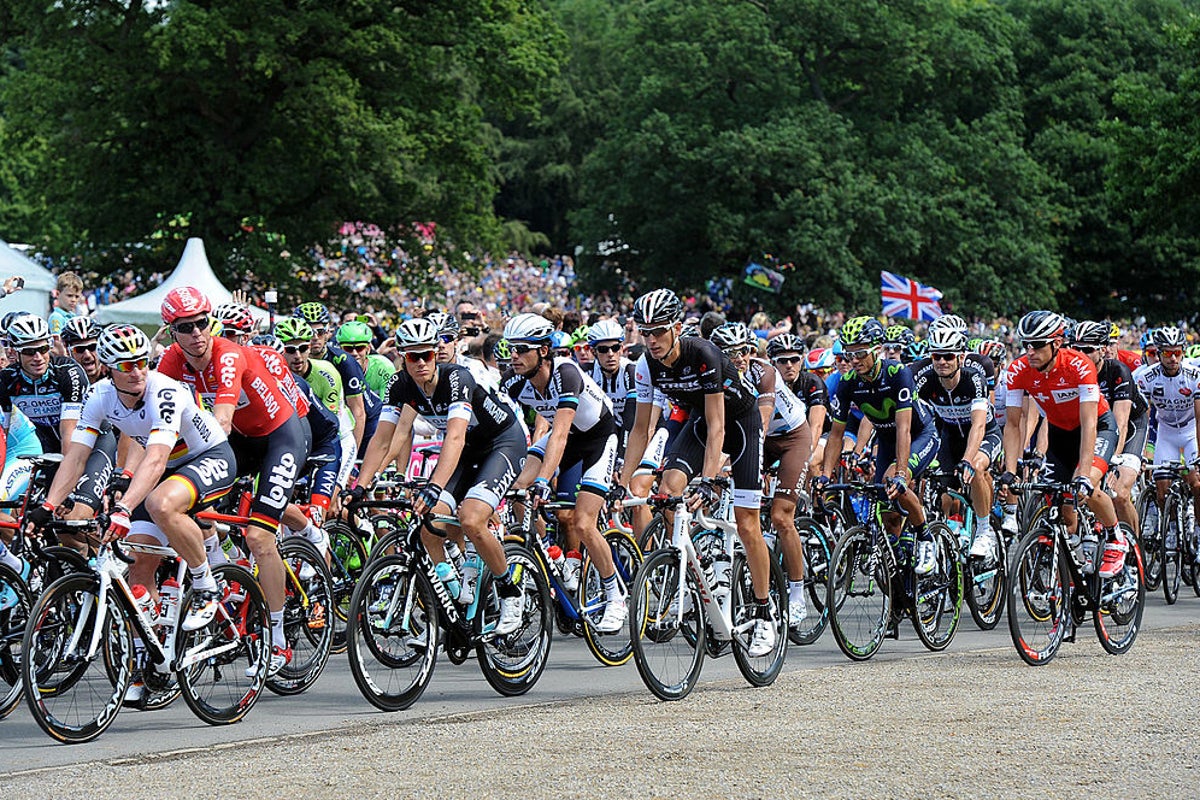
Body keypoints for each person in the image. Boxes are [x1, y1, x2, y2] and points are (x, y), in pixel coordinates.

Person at [29, 325, 239, 699]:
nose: (138, 370)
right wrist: (47, 506)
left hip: (209, 456)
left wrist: (124, 507)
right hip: (167, 469)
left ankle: (207, 587)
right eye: (127, 364)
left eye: (142, 361)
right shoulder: (100, 396)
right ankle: (152, 661)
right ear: (110, 368)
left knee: (160, 504)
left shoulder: (165, 391)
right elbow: (76, 456)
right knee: (140, 561)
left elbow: (156, 458)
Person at [157, 287, 307, 675]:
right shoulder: (173, 360)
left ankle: (278, 641)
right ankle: (223, 569)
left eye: (201, 323)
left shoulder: (227, 354)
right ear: (171, 331)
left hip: (281, 437)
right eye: (185, 327)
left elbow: (220, 423)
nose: (196, 334)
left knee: (259, 537)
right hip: (241, 440)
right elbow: (159, 415)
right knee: (192, 504)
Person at [618, 289, 777, 657]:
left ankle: (764, 610)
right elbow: (641, 429)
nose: (651, 340)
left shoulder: (703, 354)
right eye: (645, 332)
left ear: (676, 327)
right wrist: (622, 483)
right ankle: (693, 568)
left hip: (740, 424)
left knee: (747, 520)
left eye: (658, 331)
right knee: (668, 489)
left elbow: (719, 427)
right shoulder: (646, 365)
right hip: (699, 424)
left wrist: (708, 481)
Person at [352, 317, 529, 635]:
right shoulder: (400, 385)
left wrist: (433, 486)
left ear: (436, 353)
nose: (420, 363)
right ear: (402, 357)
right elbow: (383, 439)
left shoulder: (457, 377)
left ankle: (509, 591)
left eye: (427, 355)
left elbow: (456, 438)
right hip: (466, 452)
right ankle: (462, 583)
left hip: (501, 443)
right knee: (429, 526)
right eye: (412, 356)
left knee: (472, 518)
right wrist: (359, 486)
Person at [501, 313, 626, 632]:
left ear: (543, 350)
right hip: (566, 437)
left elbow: (559, 433)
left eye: (521, 349)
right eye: (510, 348)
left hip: (598, 437)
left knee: (584, 522)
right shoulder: (514, 381)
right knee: (516, 489)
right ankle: (553, 555)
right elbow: (504, 431)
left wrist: (544, 480)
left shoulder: (566, 373)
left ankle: (615, 596)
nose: (513, 355)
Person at [1000, 311, 1125, 578]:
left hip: (1097, 426)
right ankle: (1074, 561)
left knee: (1087, 486)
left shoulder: (1079, 365)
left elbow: (1090, 423)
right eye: (1026, 345)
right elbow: (1013, 424)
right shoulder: (1018, 370)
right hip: (1060, 432)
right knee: (1063, 505)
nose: (1030, 351)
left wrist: (1083, 473)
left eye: (1037, 344)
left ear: (1056, 343)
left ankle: (1116, 538)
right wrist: (1010, 471)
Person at [818, 316, 941, 575]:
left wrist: (900, 474)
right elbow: (836, 435)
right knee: (887, 514)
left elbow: (905, 428)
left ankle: (925, 537)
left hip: (920, 434)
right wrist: (825, 476)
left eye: (861, 353)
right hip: (886, 439)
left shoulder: (897, 373)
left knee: (893, 480)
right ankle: (900, 579)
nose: (854, 360)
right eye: (849, 354)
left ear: (877, 349)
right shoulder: (847, 382)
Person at [714, 323, 813, 630]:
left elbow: (764, 419)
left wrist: (734, 463)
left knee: (782, 517)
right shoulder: (716, 375)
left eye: (745, 351)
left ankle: (797, 594)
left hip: (791, 437)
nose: (740, 358)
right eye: (731, 353)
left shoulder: (765, 373)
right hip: (756, 437)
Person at [914, 326, 1002, 560]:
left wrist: (967, 460)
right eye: (936, 356)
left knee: (977, 468)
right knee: (938, 486)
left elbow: (979, 426)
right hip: (950, 437)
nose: (942, 361)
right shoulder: (926, 380)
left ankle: (985, 531)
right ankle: (942, 532)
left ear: (961, 357)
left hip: (984, 434)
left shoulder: (974, 378)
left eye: (949, 356)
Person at [1072, 320, 1149, 533]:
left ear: (1102, 349)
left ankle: (1134, 551)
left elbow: (1121, 422)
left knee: (1120, 492)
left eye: (1086, 350)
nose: (1079, 354)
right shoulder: (1071, 372)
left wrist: (1111, 461)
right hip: (1096, 426)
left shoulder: (1118, 371)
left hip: (1131, 425)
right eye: (1075, 349)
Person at [1135, 326, 1200, 556]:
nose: (1173, 358)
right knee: (1162, 491)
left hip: (1191, 431)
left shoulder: (1194, 376)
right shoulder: (1146, 377)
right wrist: (1140, 452)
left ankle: (1199, 533)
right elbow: (1142, 418)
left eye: (1178, 353)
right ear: (1159, 353)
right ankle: (1171, 528)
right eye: (1166, 354)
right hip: (1166, 433)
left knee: (1197, 484)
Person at [48, 271, 85, 356]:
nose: (73, 300)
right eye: (69, 295)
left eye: (76, 296)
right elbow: (58, 343)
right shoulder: (56, 317)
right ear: (57, 294)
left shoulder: (74, 316)